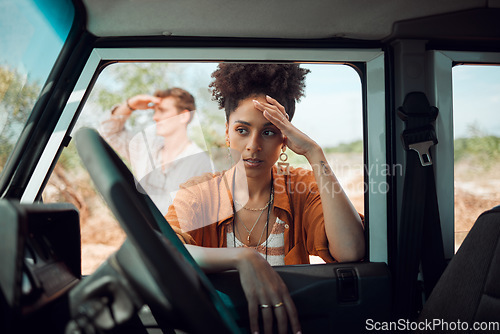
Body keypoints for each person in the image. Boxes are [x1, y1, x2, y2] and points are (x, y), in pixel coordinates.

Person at [166, 64, 365, 334]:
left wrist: (314, 153)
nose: (253, 145)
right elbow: (165, 249)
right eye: (242, 130)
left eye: (269, 132)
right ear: (227, 132)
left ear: (285, 138)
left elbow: (350, 250)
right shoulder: (199, 193)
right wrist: (243, 258)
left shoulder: (302, 187)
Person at [100, 87, 213, 215]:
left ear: (184, 116)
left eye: (162, 111)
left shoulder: (201, 163)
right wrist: (130, 105)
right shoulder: (144, 148)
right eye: (155, 111)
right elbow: (108, 132)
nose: (155, 117)